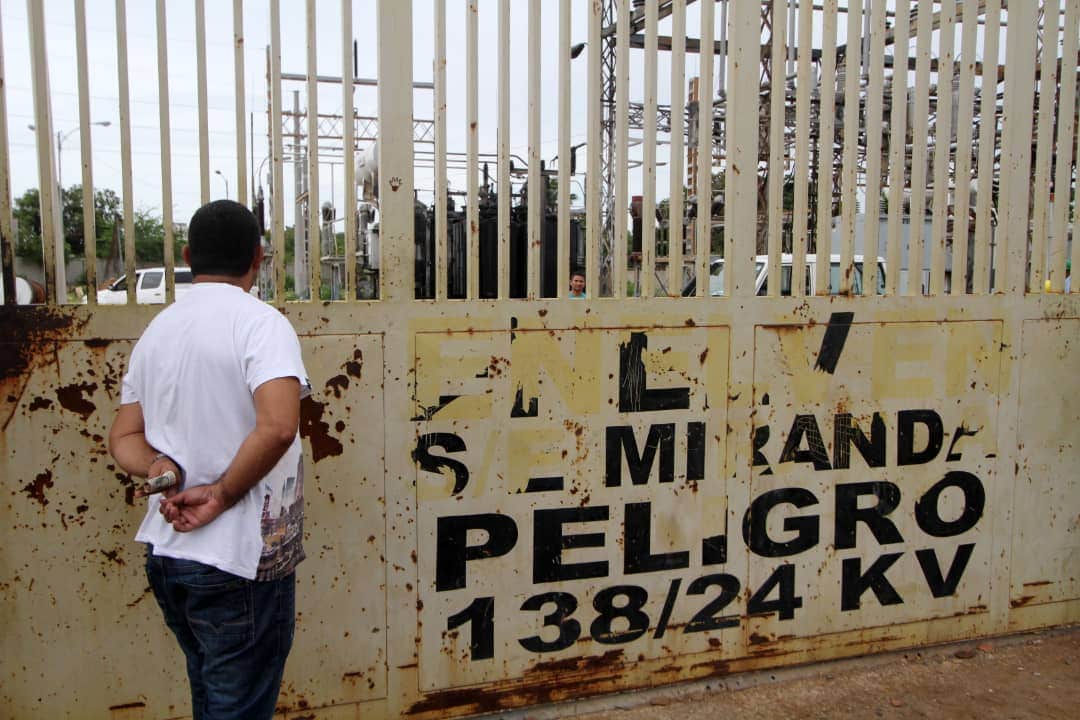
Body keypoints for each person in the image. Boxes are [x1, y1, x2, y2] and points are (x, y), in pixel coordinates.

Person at [109, 199, 310, 720]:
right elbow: (279, 425)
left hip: (169, 553)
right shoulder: (261, 324)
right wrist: (221, 495)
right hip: (237, 558)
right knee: (236, 706)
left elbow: (124, 436)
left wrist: (158, 467)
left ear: (187, 255)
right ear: (259, 256)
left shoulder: (158, 331)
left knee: (210, 692)